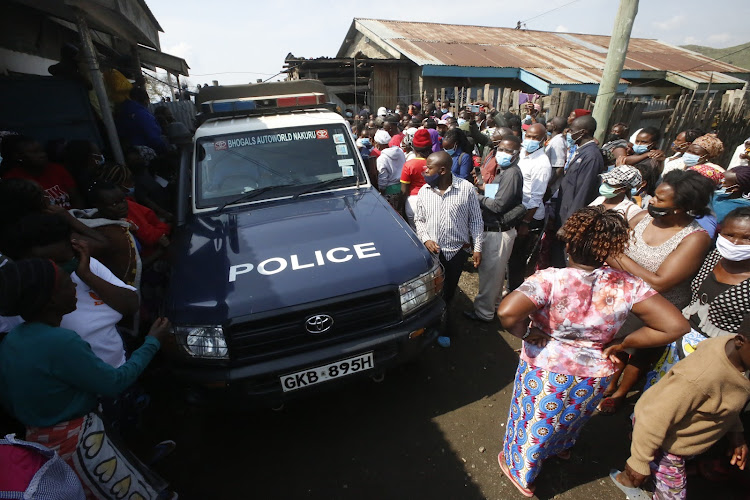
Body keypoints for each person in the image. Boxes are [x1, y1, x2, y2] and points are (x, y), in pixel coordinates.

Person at [496, 206, 689, 498]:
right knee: (571, 415)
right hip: (596, 372)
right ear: (610, 249)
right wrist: (623, 343)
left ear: (570, 243)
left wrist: (525, 332)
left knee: (534, 420)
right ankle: (560, 449)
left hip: (547, 366)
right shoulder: (628, 285)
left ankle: (521, 471)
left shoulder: (550, 279)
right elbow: (675, 326)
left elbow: (508, 313)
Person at [0, 258, 175, 498]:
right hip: (81, 445)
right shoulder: (62, 342)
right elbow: (114, 383)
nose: (75, 288)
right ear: (51, 301)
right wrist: (152, 342)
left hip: (41, 443)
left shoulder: (12, 340)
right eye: (66, 284)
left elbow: (9, 400)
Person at [598, 170, 714, 414]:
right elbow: (611, 248)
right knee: (615, 346)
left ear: (683, 207)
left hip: (659, 306)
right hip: (623, 298)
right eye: (654, 195)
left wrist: (615, 256)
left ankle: (620, 394)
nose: (651, 201)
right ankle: (607, 385)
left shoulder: (695, 238)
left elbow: (659, 283)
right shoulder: (641, 218)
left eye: (660, 200)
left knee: (640, 354)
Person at [611, 315, 750, 500]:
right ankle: (629, 477)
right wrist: (639, 461)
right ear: (740, 341)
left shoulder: (731, 355)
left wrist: (736, 432)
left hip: (673, 431)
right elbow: (656, 415)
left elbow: (725, 402)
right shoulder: (700, 378)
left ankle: (635, 474)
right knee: (672, 494)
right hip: (666, 439)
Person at [2, 212, 138, 369]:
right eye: (51, 263)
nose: (61, 270)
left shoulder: (84, 265)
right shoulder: (15, 291)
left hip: (120, 366)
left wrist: (87, 275)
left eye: (65, 260)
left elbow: (131, 304)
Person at [643, 206, 750, 390]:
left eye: (746, 238)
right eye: (729, 235)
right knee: (659, 394)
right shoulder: (714, 256)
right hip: (682, 341)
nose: (735, 243)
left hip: (720, 357)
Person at [415, 151, 483, 348]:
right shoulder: (424, 191)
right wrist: (426, 239)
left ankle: (443, 327)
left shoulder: (466, 189)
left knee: (448, 292)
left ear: (442, 170)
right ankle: (430, 325)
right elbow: (419, 220)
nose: (424, 170)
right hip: (432, 253)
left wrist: (477, 247)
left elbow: (476, 221)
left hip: (456, 252)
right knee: (431, 291)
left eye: (429, 167)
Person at [464, 136, 523, 322]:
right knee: (495, 276)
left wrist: (476, 196)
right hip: (495, 229)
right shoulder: (503, 171)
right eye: (501, 149)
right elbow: (494, 194)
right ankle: (494, 306)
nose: (503, 154)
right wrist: (482, 190)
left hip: (498, 232)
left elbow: (498, 205)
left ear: (516, 154)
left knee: (490, 276)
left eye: (508, 151)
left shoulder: (512, 173)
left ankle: (483, 313)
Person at [551, 115, 604, 267]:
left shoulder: (591, 156)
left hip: (570, 219)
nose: (568, 133)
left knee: (564, 262)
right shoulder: (581, 152)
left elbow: (583, 192)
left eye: (572, 130)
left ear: (583, 132)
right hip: (563, 213)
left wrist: (570, 225)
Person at [507, 123, 551, 291]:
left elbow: (536, 197)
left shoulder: (541, 163)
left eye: (535, 138)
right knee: (511, 255)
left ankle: (515, 290)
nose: (530, 140)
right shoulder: (522, 155)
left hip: (529, 216)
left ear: (543, 140)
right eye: (528, 136)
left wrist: (526, 222)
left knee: (518, 258)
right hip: (516, 210)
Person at [89, 180, 171, 260]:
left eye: (123, 200)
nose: (122, 206)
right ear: (98, 205)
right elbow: (133, 267)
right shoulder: (109, 232)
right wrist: (161, 251)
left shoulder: (125, 216)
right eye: (114, 204)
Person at [2, 136, 84, 209]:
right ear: (18, 156)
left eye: (42, 151)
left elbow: (76, 199)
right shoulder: (13, 179)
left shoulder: (57, 169)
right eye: (35, 152)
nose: (42, 155)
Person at [114, 87, 168, 154]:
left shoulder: (122, 112)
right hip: (146, 154)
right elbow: (153, 138)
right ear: (146, 100)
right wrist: (165, 149)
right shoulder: (142, 114)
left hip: (128, 153)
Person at [400, 129, 433, 229]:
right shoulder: (437, 162)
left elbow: (404, 190)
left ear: (413, 148)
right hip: (433, 201)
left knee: (417, 235)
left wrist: (401, 207)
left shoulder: (409, 165)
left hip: (413, 203)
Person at [372, 129, 405, 211]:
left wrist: (381, 191)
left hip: (390, 191)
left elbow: (383, 178)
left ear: (377, 144)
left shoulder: (382, 158)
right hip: (403, 188)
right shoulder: (399, 151)